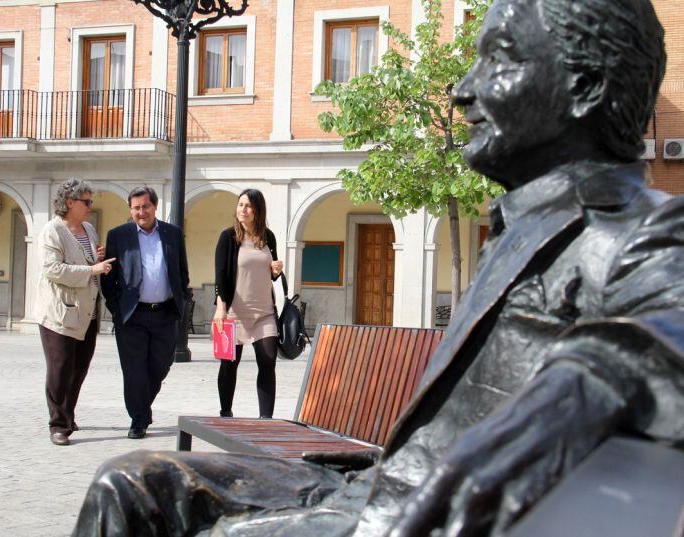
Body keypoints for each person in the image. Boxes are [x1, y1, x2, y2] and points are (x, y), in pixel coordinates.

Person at [72, 0, 684, 534]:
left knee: (136, 503)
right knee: (133, 482)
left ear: (585, 87)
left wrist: (561, 405)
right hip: (380, 478)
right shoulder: (522, 221)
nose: (465, 90)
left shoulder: (638, 226)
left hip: (411, 506)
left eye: (500, 59)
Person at [101, 186, 191, 440]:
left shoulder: (173, 234)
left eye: (146, 206)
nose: (141, 212)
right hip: (132, 315)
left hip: (165, 313)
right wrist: (117, 308)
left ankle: (142, 408)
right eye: (136, 208)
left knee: (161, 366)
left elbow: (182, 272)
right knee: (134, 370)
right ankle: (138, 419)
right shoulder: (118, 236)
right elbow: (109, 278)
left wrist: (180, 300)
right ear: (130, 210)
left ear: (155, 206)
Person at [36, 178, 114, 447]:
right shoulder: (52, 231)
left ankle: (68, 414)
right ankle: (58, 425)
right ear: (69, 202)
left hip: (87, 311)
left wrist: (97, 258)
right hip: (59, 314)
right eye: (86, 201)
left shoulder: (89, 229)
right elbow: (53, 270)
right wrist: (92, 270)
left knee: (79, 367)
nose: (91, 205)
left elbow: (88, 260)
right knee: (60, 369)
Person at [213, 189, 284, 419]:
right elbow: (221, 275)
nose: (242, 209)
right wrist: (221, 308)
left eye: (248, 206)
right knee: (229, 366)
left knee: (268, 361)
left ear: (258, 210)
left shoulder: (268, 237)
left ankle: (266, 419)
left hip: (264, 312)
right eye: (240, 204)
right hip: (234, 312)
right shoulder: (228, 237)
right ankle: (226, 412)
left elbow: (269, 273)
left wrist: (275, 271)